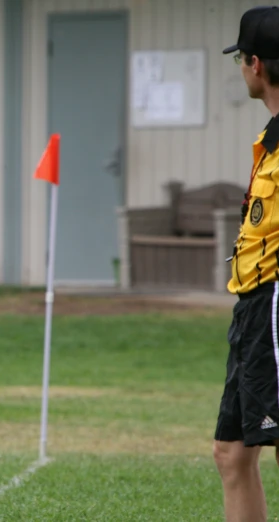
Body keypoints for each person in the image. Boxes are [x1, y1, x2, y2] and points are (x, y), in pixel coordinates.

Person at [216, 6, 279, 522]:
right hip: (253, 306)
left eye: (240, 58)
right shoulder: (271, 137)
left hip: (277, 302)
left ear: (255, 64)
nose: (241, 68)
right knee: (233, 454)